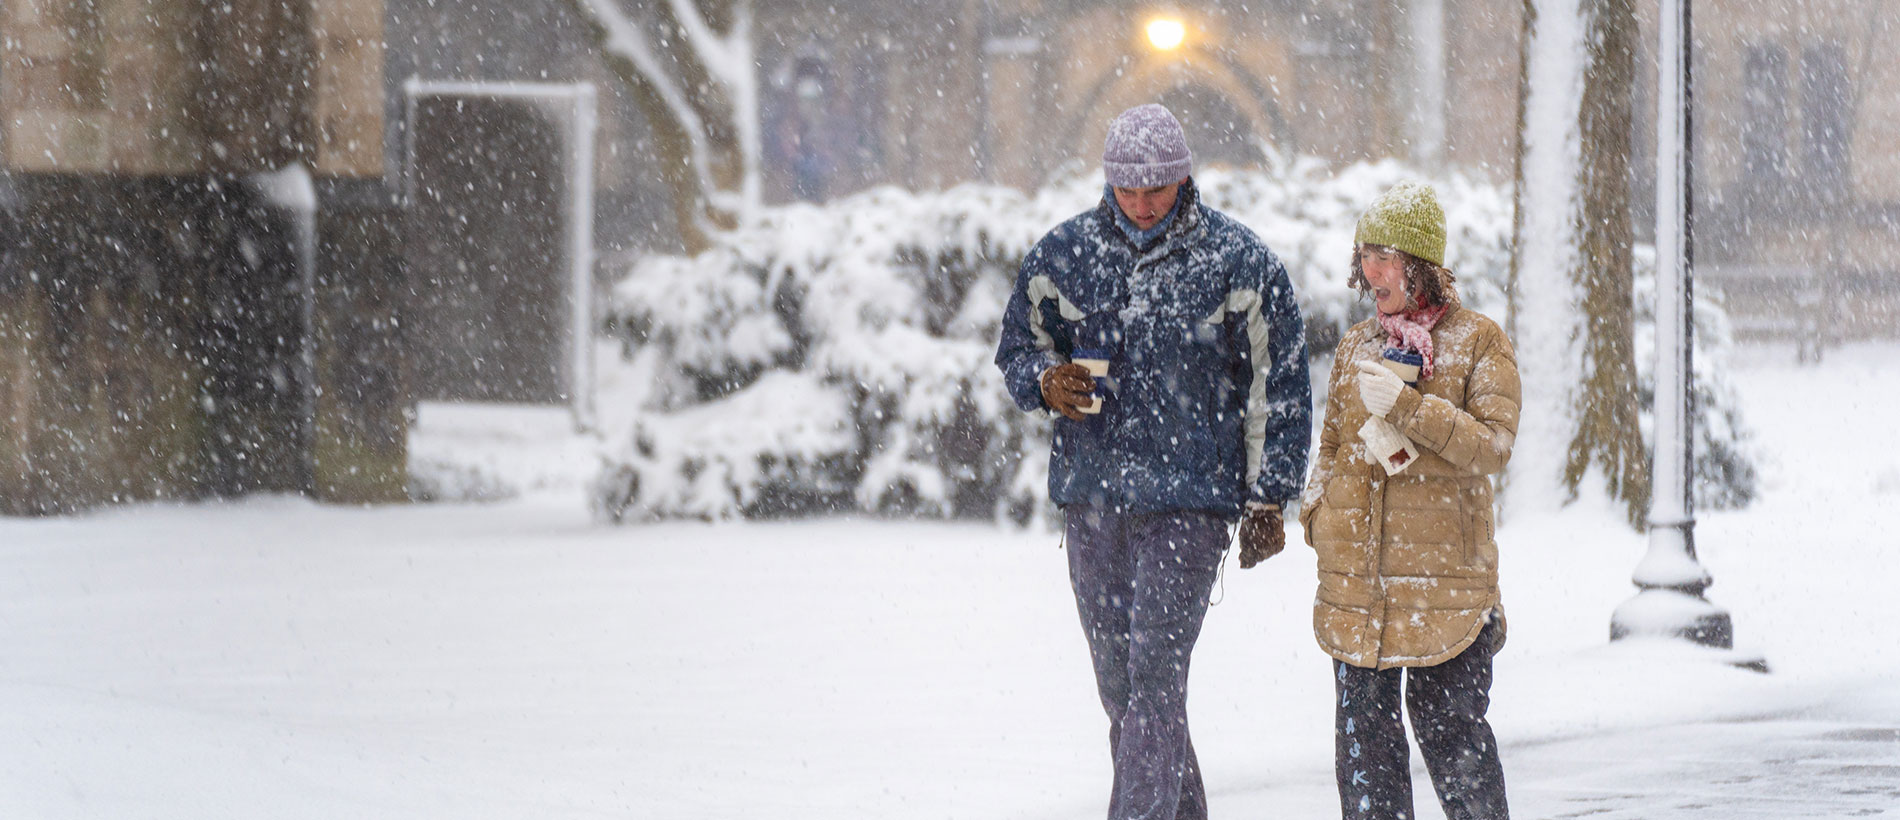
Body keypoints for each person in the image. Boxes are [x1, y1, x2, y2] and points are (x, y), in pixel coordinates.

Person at [994, 103, 1311, 820]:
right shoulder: (1063, 255)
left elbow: (1279, 384)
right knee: (1122, 691)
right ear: (1107, 183)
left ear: (1184, 178)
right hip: (1093, 499)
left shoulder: (1239, 263)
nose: (1141, 205)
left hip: (1190, 503)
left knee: (1156, 682)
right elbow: (1018, 346)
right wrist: (1046, 380)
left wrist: (1270, 496)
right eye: (1127, 191)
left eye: (1156, 190)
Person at [1298, 181, 1520, 820]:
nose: (1371, 271)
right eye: (1365, 254)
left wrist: (1409, 410)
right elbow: (1333, 447)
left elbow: (1494, 447)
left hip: (1443, 592)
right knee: (1365, 762)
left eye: (1386, 256)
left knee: (1457, 748)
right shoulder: (1356, 347)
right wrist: (1319, 518)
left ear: (1422, 266)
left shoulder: (1478, 342)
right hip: (1358, 591)